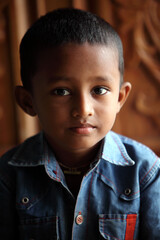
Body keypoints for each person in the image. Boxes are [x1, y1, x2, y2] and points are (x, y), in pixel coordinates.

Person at [0, 8, 160, 240]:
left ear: (120, 98)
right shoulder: (8, 176)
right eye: (61, 91)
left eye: (99, 90)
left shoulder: (145, 172)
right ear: (28, 101)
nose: (83, 109)